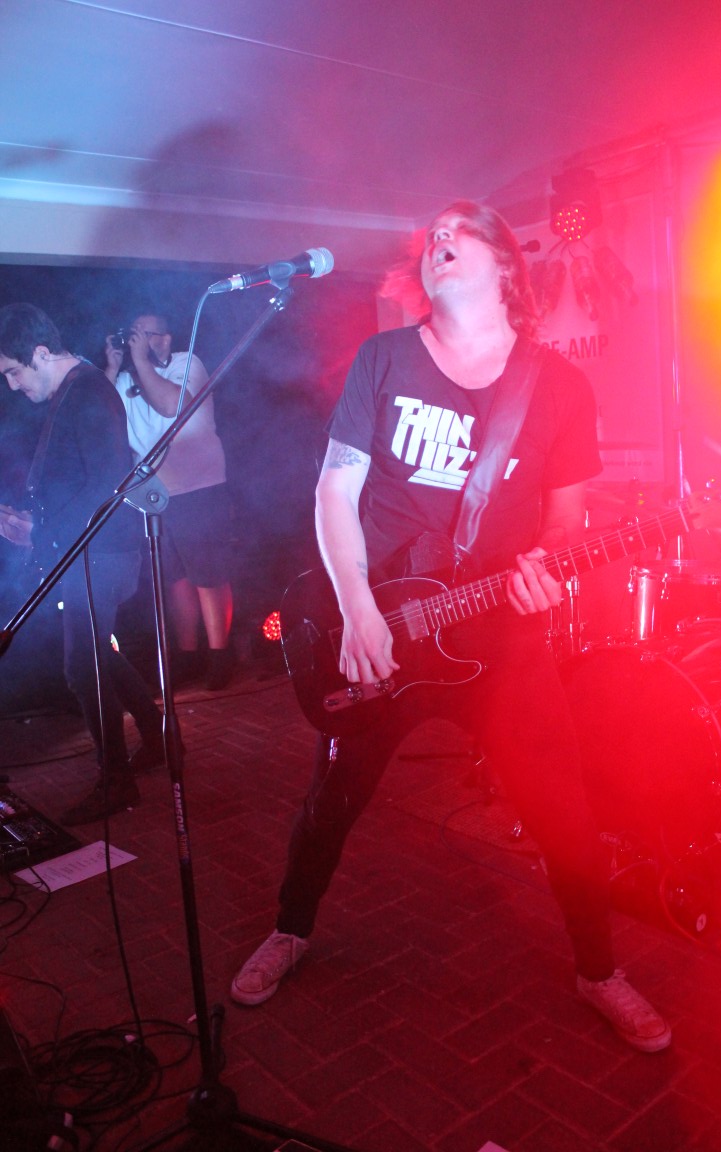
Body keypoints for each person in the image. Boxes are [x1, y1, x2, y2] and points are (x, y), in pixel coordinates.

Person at [229, 201, 672, 1054]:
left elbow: (566, 522)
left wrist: (545, 568)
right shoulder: (385, 358)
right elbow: (335, 491)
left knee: (564, 810)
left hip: (496, 634)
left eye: (456, 233)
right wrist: (357, 610)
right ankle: (290, 928)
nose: (436, 242)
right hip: (380, 622)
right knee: (332, 801)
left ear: (505, 264)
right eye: (429, 237)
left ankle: (599, 970)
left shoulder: (558, 385)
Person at [0, 303, 165, 825]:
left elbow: (105, 484)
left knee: (81, 666)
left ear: (41, 353)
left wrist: (40, 530)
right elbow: (74, 480)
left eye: (13, 372)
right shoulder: (73, 390)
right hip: (92, 549)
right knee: (95, 656)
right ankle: (159, 737)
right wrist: (31, 518)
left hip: (104, 552)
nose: (12, 385)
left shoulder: (89, 392)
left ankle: (117, 781)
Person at [104, 311, 234, 691]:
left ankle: (220, 655)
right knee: (174, 580)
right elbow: (102, 418)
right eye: (132, 336)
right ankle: (189, 656)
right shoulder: (126, 378)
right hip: (154, 495)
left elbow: (170, 407)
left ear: (164, 338)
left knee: (207, 576)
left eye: (144, 335)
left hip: (199, 486)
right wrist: (112, 368)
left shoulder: (186, 363)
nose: (136, 343)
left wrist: (141, 361)